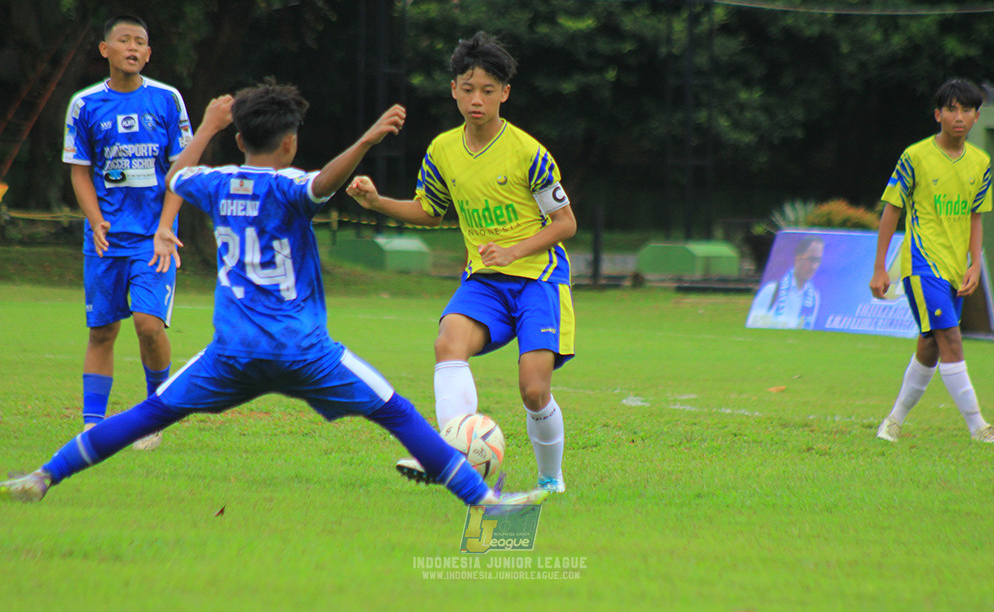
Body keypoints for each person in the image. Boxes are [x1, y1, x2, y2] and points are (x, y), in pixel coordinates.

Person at [1, 81, 547, 508]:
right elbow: (325, 183)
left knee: (149, 414)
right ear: (290, 144)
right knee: (398, 414)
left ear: (238, 139)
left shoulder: (213, 183)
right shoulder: (288, 187)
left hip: (232, 354)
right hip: (305, 351)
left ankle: (44, 475)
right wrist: (367, 139)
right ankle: (487, 500)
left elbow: (175, 176)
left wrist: (209, 126)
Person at [346, 31, 576, 494]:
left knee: (534, 390)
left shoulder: (529, 153)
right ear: (453, 89)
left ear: (504, 94)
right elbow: (429, 210)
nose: (477, 100)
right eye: (468, 89)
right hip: (485, 282)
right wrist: (376, 203)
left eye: (488, 91)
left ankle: (552, 480)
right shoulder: (443, 150)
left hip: (539, 278)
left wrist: (513, 250)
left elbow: (565, 223)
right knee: (447, 343)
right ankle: (450, 453)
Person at [62, 14, 193, 450]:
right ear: (106, 50)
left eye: (140, 42)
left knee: (148, 324)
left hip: (154, 237)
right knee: (101, 331)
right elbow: (80, 171)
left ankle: (155, 414)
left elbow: (181, 170)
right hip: (105, 238)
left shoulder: (167, 100)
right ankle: (92, 424)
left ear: (148, 54)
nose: (133, 48)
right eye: (124, 40)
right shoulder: (84, 105)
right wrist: (95, 218)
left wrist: (165, 227)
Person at [871, 78, 994, 444]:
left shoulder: (981, 162)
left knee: (930, 344)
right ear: (938, 115)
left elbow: (976, 217)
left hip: (956, 268)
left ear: (977, 117)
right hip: (921, 264)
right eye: (952, 109)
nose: (959, 117)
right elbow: (891, 209)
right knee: (952, 341)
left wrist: (975, 264)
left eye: (967, 110)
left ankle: (893, 421)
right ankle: (979, 426)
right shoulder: (915, 157)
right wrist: (880, 267)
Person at [746, 235, 824, 329]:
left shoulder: (814, 296)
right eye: (811, 260)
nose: (814, 266)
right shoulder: (772, 289)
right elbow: (754, 322)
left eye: (818, 261)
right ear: (798, 258)